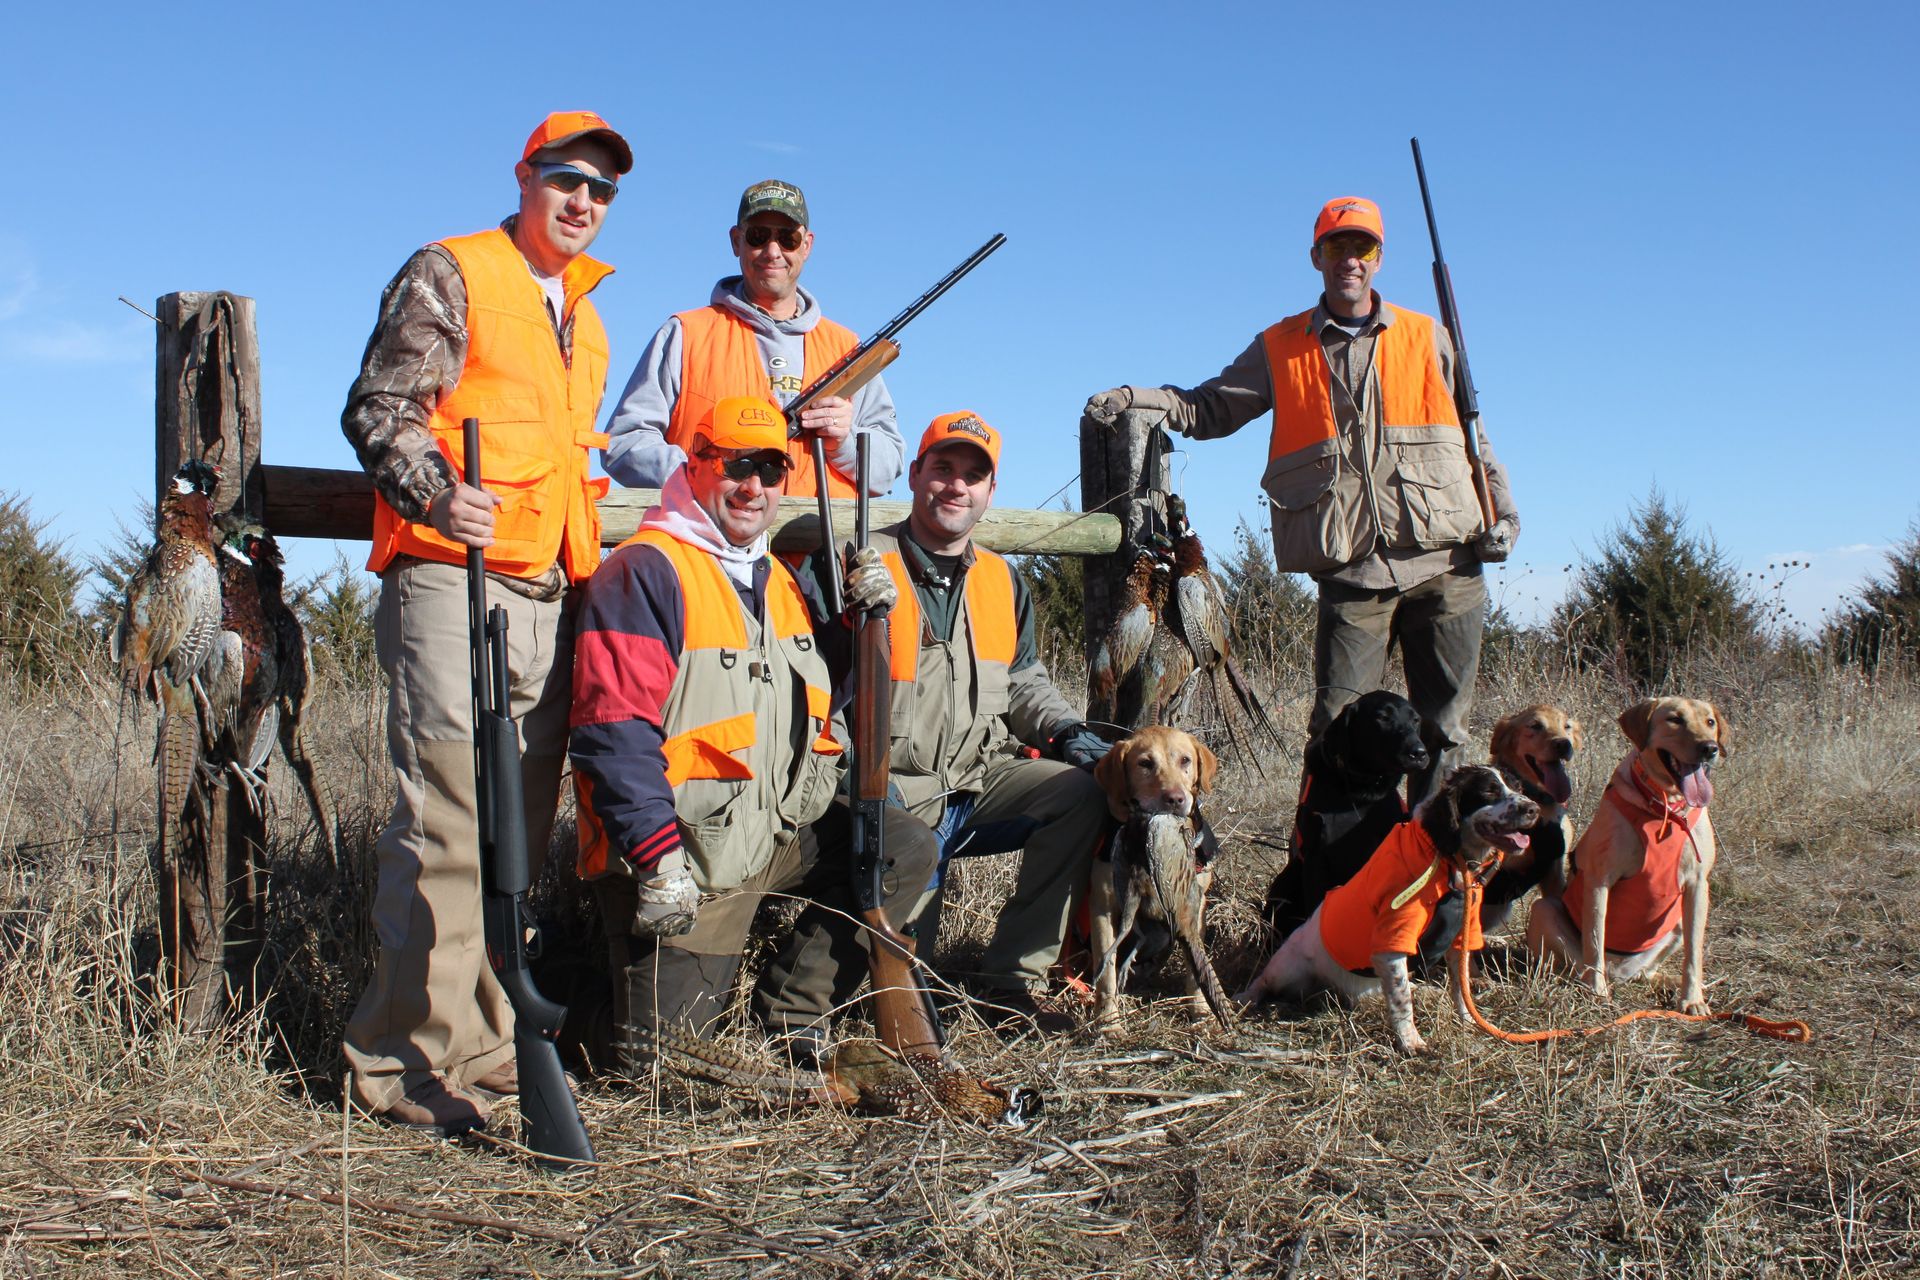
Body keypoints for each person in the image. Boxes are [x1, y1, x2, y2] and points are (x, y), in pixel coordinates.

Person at [339, 111, 632, 1134]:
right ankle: (399, 1066)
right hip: (451, 578)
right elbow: (381, 409)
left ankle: (489, 1047)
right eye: (566, 177)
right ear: (526, 177)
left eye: (601, 188)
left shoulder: (587, 319)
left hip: (549, 592)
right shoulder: (451, 270)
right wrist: (433, 493)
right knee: (449, 825)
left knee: (515, 832)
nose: (583, 199)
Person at [1085, 196, 1520, 799]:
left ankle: (1426, 864)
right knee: (1335, 733)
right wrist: (1141, 397)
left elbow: (1474, 438)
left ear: (1379, 258)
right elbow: (1209, 408)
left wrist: (1505, 512)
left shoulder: (1428, 337)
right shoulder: (1282, 346)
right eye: (1337, 246)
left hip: (1448, 562)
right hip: (1352, 570)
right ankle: (1326, 872)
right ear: (1317, 257)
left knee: (1442, 731)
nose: (1350, 259)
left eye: (1362, 247)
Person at [570, 395, 937, 1071]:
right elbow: (611, 731)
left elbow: (812, 690)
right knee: (656, 1068)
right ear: (696, 466)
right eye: (735, 464)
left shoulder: (772, 578)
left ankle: (792, 1015)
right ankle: (562, 1013)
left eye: (771, 469)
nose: (754, 486)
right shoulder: (647, 571)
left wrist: (862, 629)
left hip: (771, 831)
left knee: (903, 846)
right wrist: (658, 860)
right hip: (688, 857)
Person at [811, 411, 1111, 1031]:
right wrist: (853, 774)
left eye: (973, 475)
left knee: (1082, 793)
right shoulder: (855, 563)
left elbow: (1024, 680)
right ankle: (863, 1006)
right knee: (901, 969)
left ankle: (1011, 984)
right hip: (887, 784)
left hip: (976, 780)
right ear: (916, 474)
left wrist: (1070, 734)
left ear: (990, 493)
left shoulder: (1003, 578)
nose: (956, 486)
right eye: (943, 469)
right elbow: (813, 685)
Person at [601, 180, 904, 497]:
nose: (773, 252)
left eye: (788, 239)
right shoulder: (685, 332)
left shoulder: (847, 350)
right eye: (758, 236)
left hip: (824, 545)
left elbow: (887, 470)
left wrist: (844, 442)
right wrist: (706, 474)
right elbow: (624, 442)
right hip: (708, 543)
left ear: (807, 246)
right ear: (736, 241)